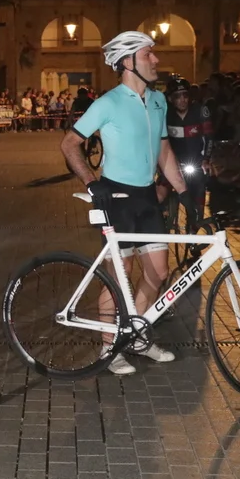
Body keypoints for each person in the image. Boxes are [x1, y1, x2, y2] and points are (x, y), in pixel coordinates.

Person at [61, 30, 193, 377]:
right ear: (127, 62)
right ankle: (109, 348)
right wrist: (91, 182)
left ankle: (135, 336)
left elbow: (163, 149)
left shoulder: (159, 100)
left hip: (147, 196)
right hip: (116, 196)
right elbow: (69, 144)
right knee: (119, 279)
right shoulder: (108, 103)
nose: (156, 60)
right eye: (148, 54)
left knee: (158, 272)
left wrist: (184, 190)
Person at [163, 76, 212, 223]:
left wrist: (206, 159)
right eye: (177, 97)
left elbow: (209, 137)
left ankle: (197, 221)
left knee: (199, 190)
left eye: (185, 95)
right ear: (170, 99)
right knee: (161, 189)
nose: (182, 100)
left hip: (196, 161)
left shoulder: (200, 110)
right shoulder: (165, 113)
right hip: (173, 162)